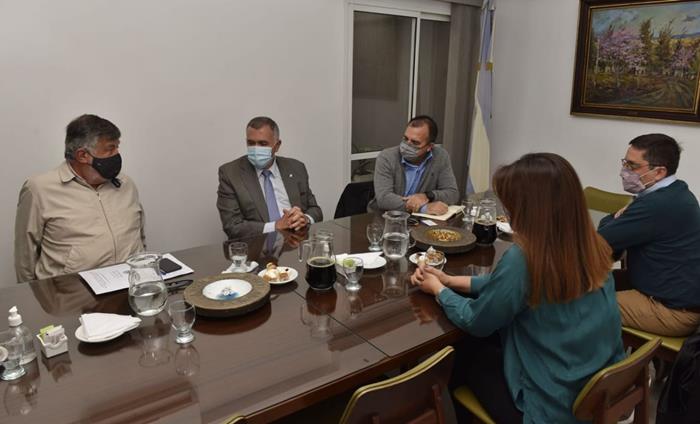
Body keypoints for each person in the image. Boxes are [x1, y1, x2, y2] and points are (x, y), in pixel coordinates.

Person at [411, 153, 624, 423]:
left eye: (509, 204)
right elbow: (516, 287)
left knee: (461, 352)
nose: (507, 212)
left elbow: (477, 321)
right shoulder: (591, 244)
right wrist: (452, 281)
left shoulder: (525, 258)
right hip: (595, 389)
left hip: (551, 405)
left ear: (529, 208)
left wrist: (440, 292)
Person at [14, 114, 145, 282]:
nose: (117, 154)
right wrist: (31, 294)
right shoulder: (40, 189)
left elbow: (139, 236)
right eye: (110, 148)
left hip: (130, 287)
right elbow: (25, 257)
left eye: (117, 147)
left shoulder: (125, 184)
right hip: (72, 293)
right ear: (82, 155)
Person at [598, 133, 700, 337]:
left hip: (672, 311)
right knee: (584, 285)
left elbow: (600, 240)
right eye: (625, 163)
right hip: (662, 288)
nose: (624, 171)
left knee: (580, 303)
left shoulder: (657, 204)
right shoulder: (677, 192)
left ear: (659, 172)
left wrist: (615, 219)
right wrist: (616, 219)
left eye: (632, 166)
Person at [217, 116, 323, 240]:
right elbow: (232, 226)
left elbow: (315, 210)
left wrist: (305, 219)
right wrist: (275, 226)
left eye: (263, 144)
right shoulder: (230, 173)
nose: (256, 149)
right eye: (251, 143)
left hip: (295, 242)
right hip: (256, 246)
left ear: (277, 145)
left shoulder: (296, 168)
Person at [368, 115, 459, 214]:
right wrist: (423, 208)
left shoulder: (440, 156)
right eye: (405, 138)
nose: (407, 145)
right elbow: (384, 199)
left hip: (418, 219)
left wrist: (427, 196)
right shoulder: (387, 157)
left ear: (429, 146)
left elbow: (453, 194)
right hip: (384, 216)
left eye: (415, 142)